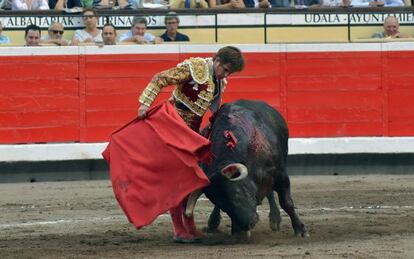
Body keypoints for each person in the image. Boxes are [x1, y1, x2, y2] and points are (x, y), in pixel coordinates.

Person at [137, 46, 245, 243]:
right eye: (226, 69)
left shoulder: (218, 81)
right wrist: (145, 102)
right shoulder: (196, 68)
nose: (226, 75)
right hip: (172, 127)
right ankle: (180, 229)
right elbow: (160, 78)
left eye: (230, 72)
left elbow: (213, 111)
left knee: (188, 180)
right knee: (177, 180)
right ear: (218, 61)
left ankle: (189, 227)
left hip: (190, 133)